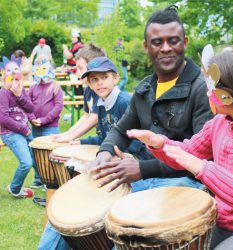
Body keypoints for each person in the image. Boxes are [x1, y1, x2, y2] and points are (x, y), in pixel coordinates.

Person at [127, 46, 233, 250]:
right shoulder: (218, 123)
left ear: (227, 95)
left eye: (211, 88)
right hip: (219, 219)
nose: (207, 92)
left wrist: (203, 169)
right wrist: (160, 144)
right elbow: (190, 152)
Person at [90, 5, 213, 192]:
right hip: (145, 177)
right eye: (157, 42)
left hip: (186, 182)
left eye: (173, 41)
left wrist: (142, 169)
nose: (165, 48)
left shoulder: (202, 90)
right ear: (146, 47)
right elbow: (122, 130)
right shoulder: (144, 89)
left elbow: (202, 156)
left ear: (185, 43)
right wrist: (105, 151)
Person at [37, 56, 147, 250]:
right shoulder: (102, 103)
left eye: (104, 77)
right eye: (94, 79)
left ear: (115, 78)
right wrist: (80, 141)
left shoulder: (125, 102)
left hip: (136, 167)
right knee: (69, 207)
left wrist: (113, 156)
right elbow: (106, 137)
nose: (99, 83)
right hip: (115, 163)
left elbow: (138, 141)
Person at [0, 57, 41, 198]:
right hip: (11, 133)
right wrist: (24, 130)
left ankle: (41, 181)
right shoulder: (3, 93)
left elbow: (30, 107)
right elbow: (3, 118)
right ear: (4, 76)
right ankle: (15, 188)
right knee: (26, 162)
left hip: (25, 131)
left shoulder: (22, 91)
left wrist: (19, 95)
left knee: (37, 156)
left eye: (15, 70)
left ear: (20, 75)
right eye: (9, 70)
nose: (13, 74)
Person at [53, 44, 106, 143]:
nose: (77, 73)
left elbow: (94, 118)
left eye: (80, 68)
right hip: (104, 139)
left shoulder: (102, 91)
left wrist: (71, 137)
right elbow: (86, 116)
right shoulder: (88, 91)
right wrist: (68, 133)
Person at [28, 59, 63, 138]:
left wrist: (45, 119)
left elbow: (59, 106)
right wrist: (32, 118)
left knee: (51, 149)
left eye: (43, 68)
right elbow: (27, 105)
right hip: (35, 127)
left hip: (51, 128)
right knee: (36, 149)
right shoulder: (33, 87)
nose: (40, 71)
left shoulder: (55, 86)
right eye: (38, 68)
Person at [62, 28, 84, 96]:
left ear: (77, 37)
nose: (71, 38)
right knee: (76, 86)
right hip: (73, 69)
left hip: (75, 69)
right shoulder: (76, 45)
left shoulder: (78, 46)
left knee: (76, 85)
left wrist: (65, 49)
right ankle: (78, 104)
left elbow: (69, 56)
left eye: (73, 37)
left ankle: (78, 104)